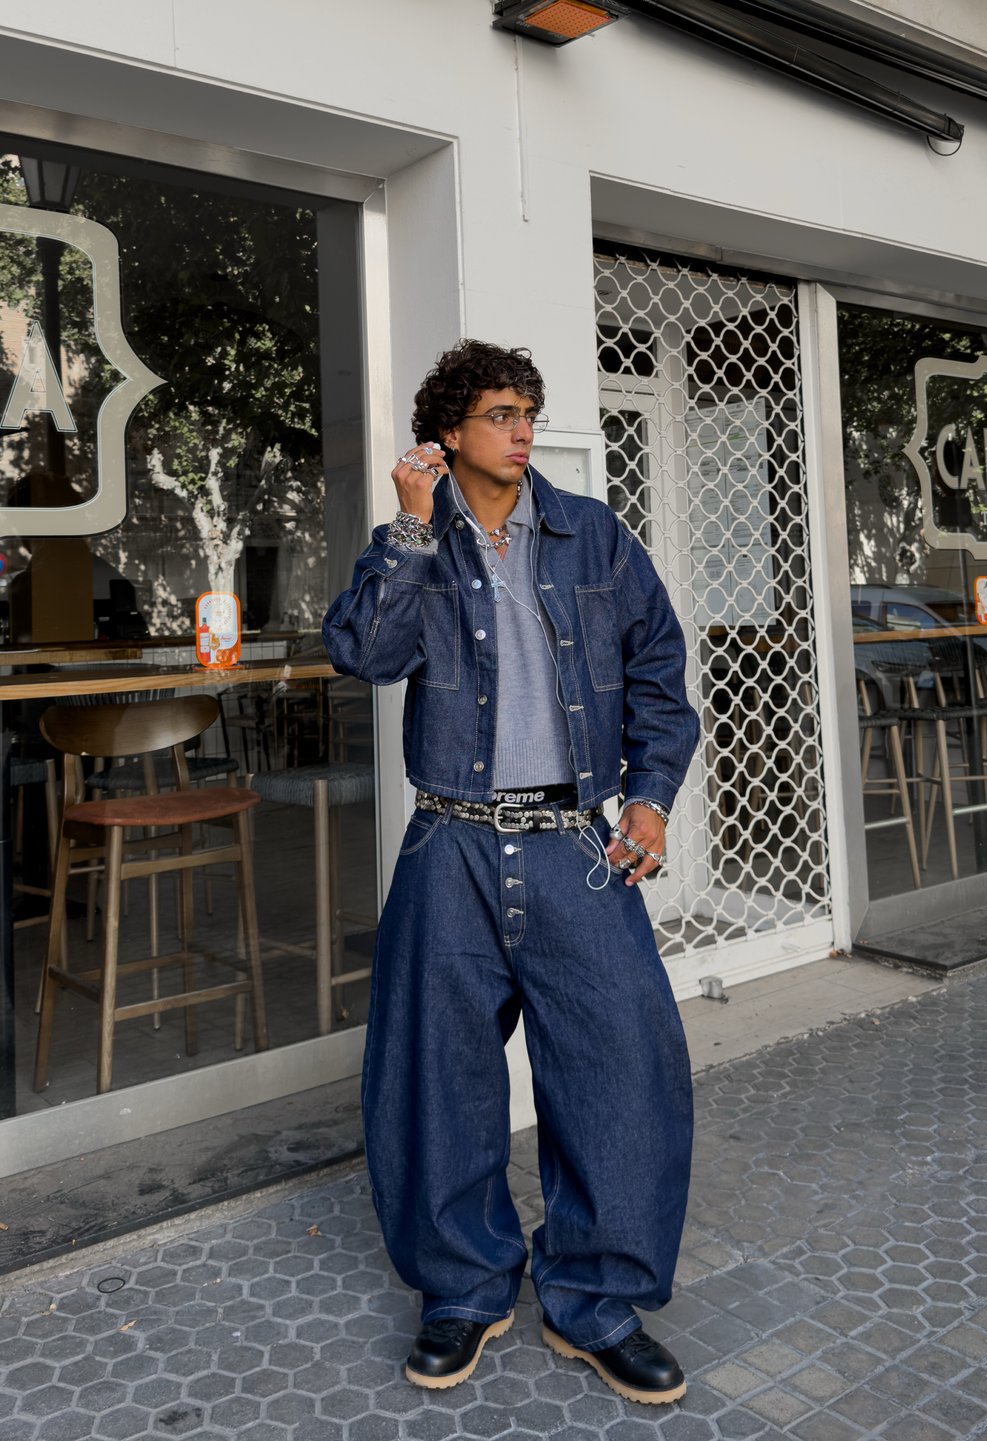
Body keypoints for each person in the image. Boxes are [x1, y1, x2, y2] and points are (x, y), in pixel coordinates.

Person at [323, 339, 699, 1405]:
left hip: (575, 844)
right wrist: (405, 525)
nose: (523, 428)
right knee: (434, 1077)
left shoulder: (593, 534)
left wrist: (649, 797)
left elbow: (661, 678)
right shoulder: (416, 541)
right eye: (498, 412)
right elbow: (361, 653)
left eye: (528, 410)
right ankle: (462, 1290)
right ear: (448, 432)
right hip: (449, 844)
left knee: (623, 1063)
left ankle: (595, 1301)